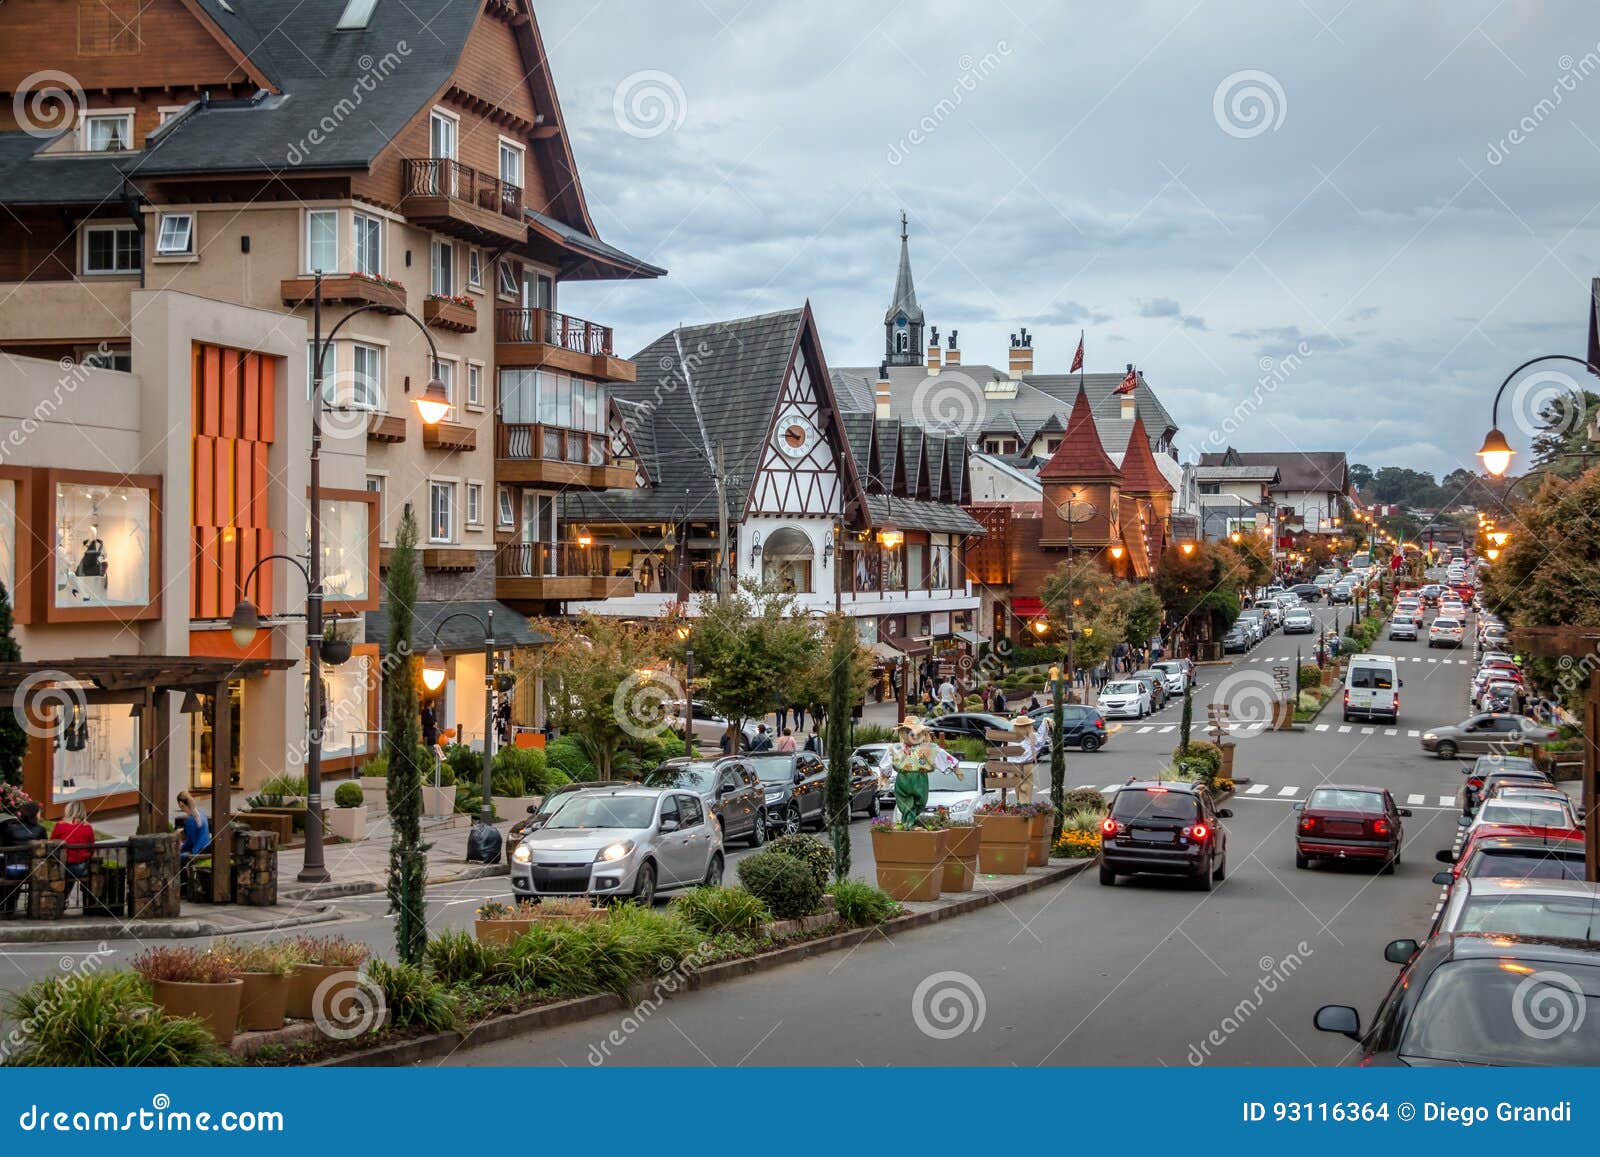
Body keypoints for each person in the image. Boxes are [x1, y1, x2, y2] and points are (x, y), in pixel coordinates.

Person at [0, 801, 46, 914]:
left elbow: (4, 846)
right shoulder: (40, 830)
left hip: (11, 868)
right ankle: (9, 906)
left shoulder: (11, 829)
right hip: (31, 869)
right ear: (35, 814)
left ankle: (7, 906)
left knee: (7, 870)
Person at [52, 801, 96, 906]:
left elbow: (52, 844)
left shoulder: (60, 826)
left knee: (65, 873)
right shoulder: (87, 827)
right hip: (81, 866)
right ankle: (87, 903)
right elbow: (92, 848)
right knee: (79, 872)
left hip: (64, 866)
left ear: (68, 810)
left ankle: (62, 900)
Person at [175, 791, 211, 864]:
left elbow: (190, 842)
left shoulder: (191, 820)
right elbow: (199, 828)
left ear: (181, 804)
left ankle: (183, 875)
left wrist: (180, 848)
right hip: (207, 847)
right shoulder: (201, 813)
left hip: (199, 850)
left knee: (176, 857)